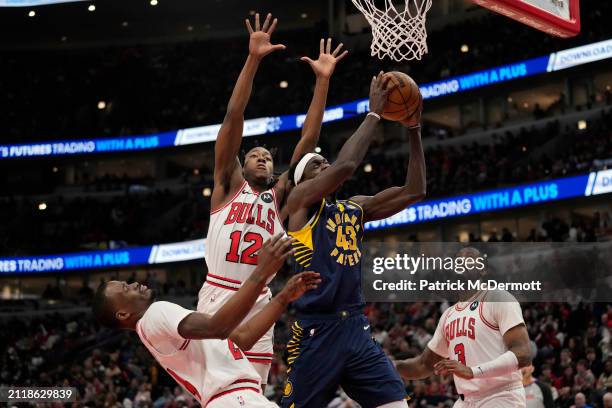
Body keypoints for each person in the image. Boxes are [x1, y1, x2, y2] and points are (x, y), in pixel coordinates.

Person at [198, 11, 348, 386]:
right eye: (255, 155)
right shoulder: (226, 186)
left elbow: (308, 143)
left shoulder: (281, 197)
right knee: (219, 388)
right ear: (241, 166)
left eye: (268, 156)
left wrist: (322, 82)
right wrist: (253, 59)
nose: (263, 157)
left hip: (260, 299)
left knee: (252, 388)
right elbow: (234, 115)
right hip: (219, 292)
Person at [280, 72, 427, 408]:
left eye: (325, 161)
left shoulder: (354, 208)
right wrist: (374, 114)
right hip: (317, 331)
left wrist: (413, 129)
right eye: (318, 164)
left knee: (396, 404)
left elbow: (415, 190)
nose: (326, 164)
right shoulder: (299, 204)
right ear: (303, 180)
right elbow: (346, 164)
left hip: (356, 327)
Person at [93, 235, 321, 407]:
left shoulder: (158, 328)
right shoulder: (155, 313)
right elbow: (219, 327)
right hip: (235, 400)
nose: (133, 284)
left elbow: (241, 339)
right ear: (123, 314)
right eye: (125, 288)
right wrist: (261, 272)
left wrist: (283, 297)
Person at [396, 247, 533, 407]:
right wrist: (390, 366)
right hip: (466, 400)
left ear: (483, 270)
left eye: (469, 258)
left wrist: (473, 371)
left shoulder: (497, 297)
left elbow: (523, 354)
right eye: (458, 260)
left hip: (501, 395)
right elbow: (423, 365)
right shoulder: (448, 315)